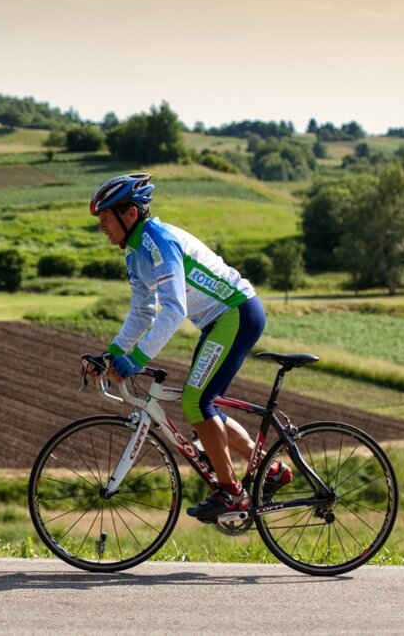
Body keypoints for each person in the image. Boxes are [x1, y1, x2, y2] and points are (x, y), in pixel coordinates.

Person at [86, 172, 290, 520]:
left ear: (130, 214)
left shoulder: (158, 242)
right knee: (203, 407)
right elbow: (142, 311)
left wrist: (135, 358)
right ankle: (272, 472)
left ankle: (232, 493)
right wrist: (113, 352)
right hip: (219, 320)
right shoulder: (135, 254)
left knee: (198, 400)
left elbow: (175, 309)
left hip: (237, 313)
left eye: (106, 219)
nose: (102, 227)